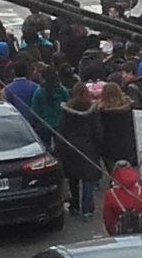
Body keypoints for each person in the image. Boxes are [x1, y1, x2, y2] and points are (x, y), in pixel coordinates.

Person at [56, 83, 103, 220]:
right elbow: (97, 131)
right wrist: (99, 147)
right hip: (88, 148)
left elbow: (61, 130)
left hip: (70, 147)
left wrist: (60, 149)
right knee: (88, 179)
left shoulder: (67, 111)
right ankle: (87, 209)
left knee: (73, 179)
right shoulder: (92, 111)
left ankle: (75, 206)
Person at [102, 160, 142, 235]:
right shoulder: (141, 191)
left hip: (120, 231)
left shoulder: (110, 194)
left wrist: (111, 231)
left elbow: (108, 218)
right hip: (138, 230)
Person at [97, 82, 136, 170]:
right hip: (127, 145)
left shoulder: (101, 112)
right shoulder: (128, 109)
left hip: (109, 148)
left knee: (114, 173)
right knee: (128, 172)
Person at [31, 66, 70, 146]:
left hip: (44, 125)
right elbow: (69, 106)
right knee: (61, 149)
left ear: (42, 77)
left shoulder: (38, 92)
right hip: (60, 125)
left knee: (46, 149)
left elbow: (34, 111)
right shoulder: (62, 90)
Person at [3, 61, 40, 130]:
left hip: (15, 124)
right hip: (33, 123)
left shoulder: (7, 89)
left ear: (13, 72)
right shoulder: (35, 87)